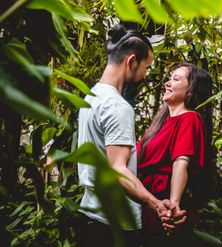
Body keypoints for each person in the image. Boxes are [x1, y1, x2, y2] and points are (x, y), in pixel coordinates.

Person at [76, 23, 183, 247]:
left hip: (89, 216)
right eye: (146, 67)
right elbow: (118, 169)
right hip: (113, 226)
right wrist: (155, 204)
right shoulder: (117, 106)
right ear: (131, 61)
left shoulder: (91, 96)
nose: (145, 74)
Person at [137, 62, 213, 246]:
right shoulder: (159, 123)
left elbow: (181, 162)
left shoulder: (190, 118)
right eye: (170, 78)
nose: (167, 83)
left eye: (176, 79)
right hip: (146, 202)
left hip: (164, 205)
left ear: (191, 89)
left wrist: (173, 206)